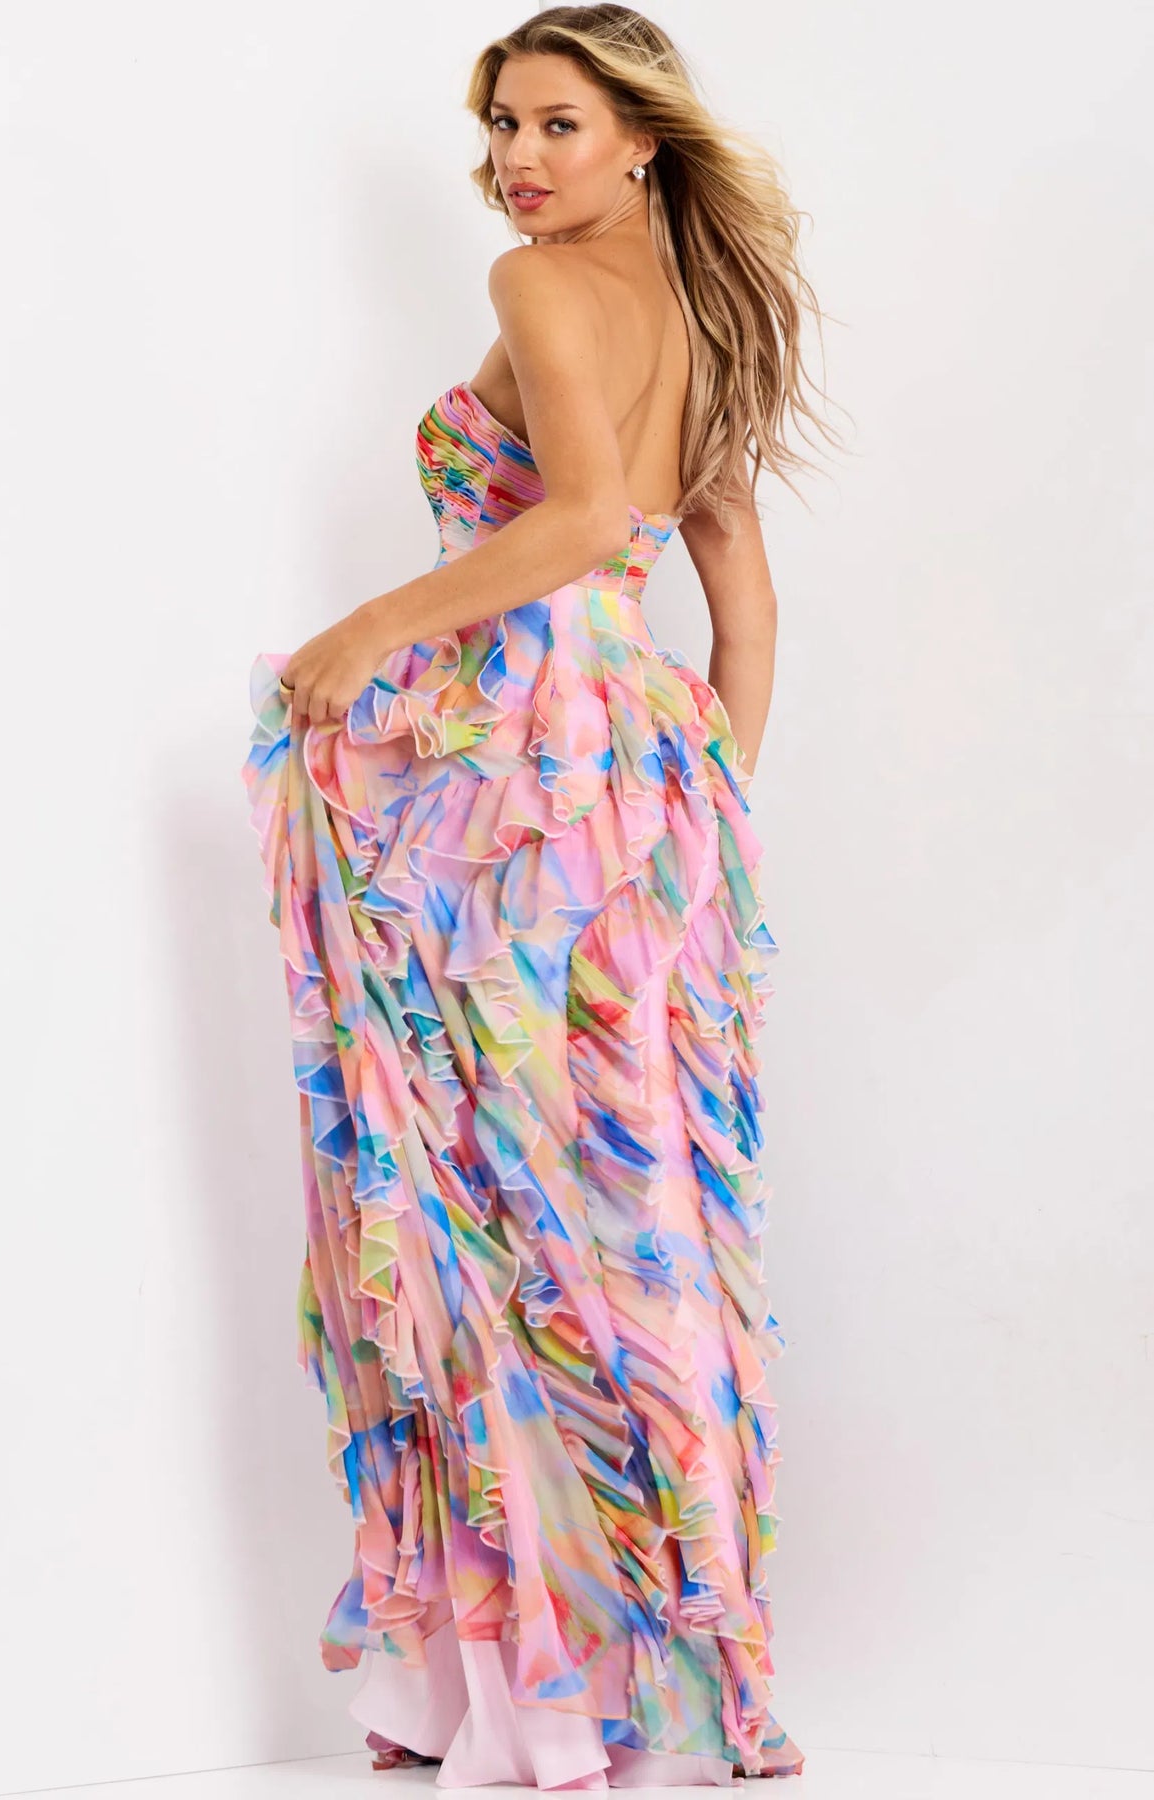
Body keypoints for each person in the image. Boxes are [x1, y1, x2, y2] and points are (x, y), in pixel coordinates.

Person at [242, 4, 839, 1786]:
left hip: (513, 775)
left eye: (557, 123)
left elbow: (578, 520)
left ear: (640, 137)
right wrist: (697, 809)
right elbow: (739, 607)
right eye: (502, 124)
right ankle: (657, 1671)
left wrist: (366, 629)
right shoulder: (703, 321)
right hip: (635, 778)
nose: (516, 159)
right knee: (628, 1206)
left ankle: (536, 1682)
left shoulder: (539, 288)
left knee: (481, 1194)